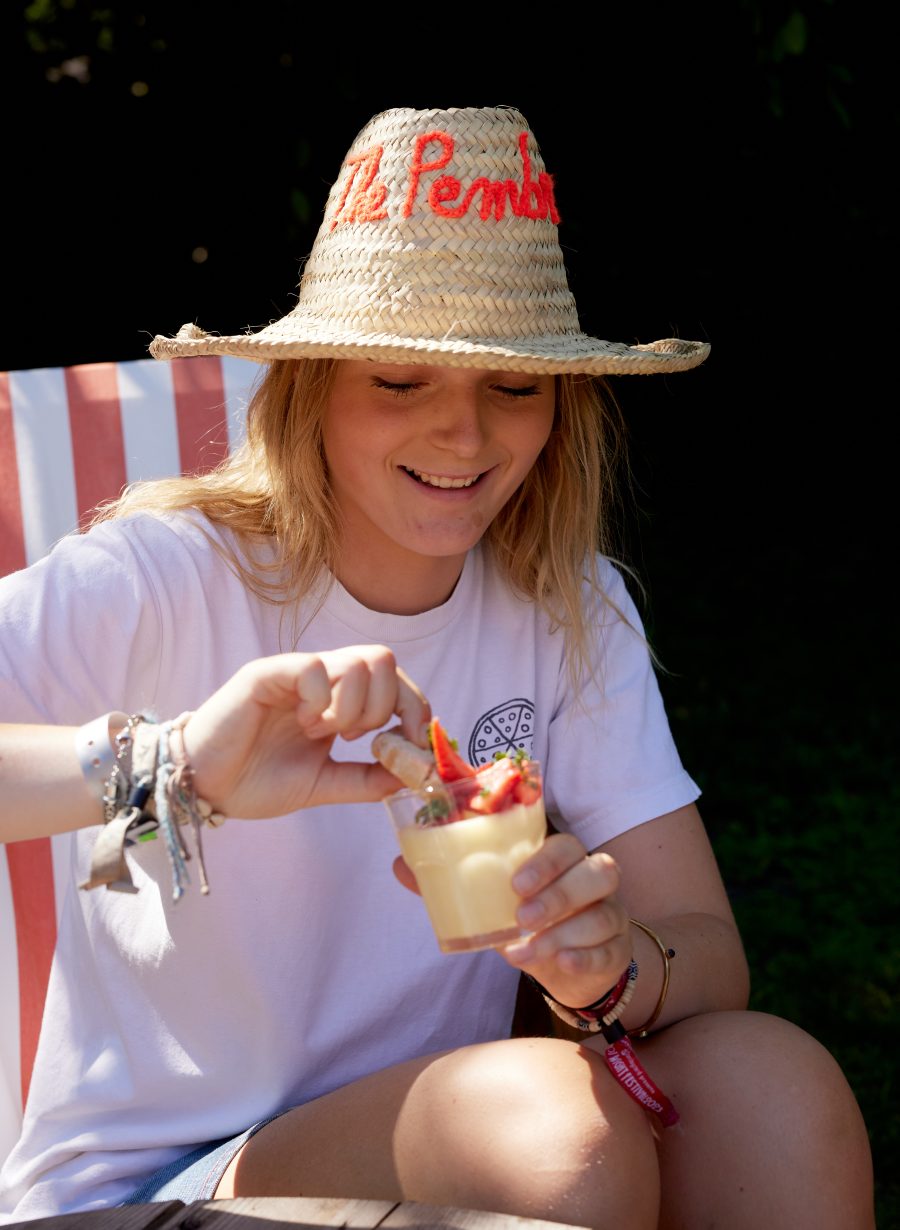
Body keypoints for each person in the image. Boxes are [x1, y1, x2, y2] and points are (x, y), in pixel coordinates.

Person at [0, 105, 874, 1229]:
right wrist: (171, 764)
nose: (464, 436)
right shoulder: (167, 574)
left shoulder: (567, 605)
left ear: (561, 408)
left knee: (777, 1089)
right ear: (313, 391)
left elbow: (706, 952)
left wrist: (604, 968)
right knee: (552, 1134)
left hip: (419, 1137)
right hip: (143, 1188)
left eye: (511, 387)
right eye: (401, 382)